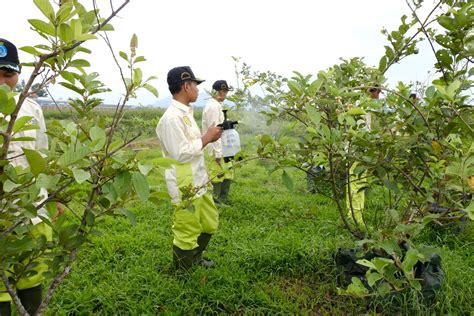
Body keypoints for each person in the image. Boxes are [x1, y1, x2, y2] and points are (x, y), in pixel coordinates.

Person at [0, 38, 50, 316]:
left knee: (33, 270)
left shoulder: (32, 110)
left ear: (18, 74)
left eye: (8, 74)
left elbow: (41, 157)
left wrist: (50, 198)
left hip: (31, 209)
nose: (3, 82)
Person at [156, 66, 223, 270]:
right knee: (186, 227)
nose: (197, 89)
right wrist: (206, 138)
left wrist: (209, 138)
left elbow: (193, 144)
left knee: (209, 221)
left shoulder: (185, 114)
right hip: (184, 179)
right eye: (195, 85)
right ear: (186, 86)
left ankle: (195, 257)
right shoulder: (171, 118)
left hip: (198, 177)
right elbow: (180, 152)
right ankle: (182, 273)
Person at [346, 85, 378, 226]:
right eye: (378, 92)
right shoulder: (360, 108)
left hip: (359, 153)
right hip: (358, 153)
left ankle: (352, 215)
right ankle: (356, 219)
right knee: (357, 183)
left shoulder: (365, 108)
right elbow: (360, 134)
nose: (379, 95)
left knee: (356, 183)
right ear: (372, 92)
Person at [202, 80, 234, 204]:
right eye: (224, 91)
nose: (225, 94)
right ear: (218, 91)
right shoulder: (213, 106)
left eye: (226, 91)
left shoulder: (216, 105)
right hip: (216, 147)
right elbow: (214, 130)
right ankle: (216, 201)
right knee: (217, 174)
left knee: (227, 172)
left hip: (222, 146)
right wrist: (218, 154)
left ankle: (223, 198)